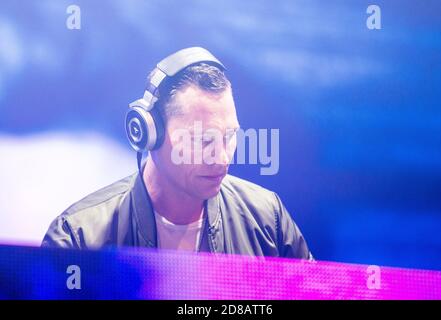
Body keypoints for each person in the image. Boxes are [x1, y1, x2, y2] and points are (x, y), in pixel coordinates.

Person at [42, 47, 313, 260]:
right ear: (150, 133)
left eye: (230, 137)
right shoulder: (77, 238)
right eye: (203, 140)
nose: (222, 158)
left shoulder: (268, 218)